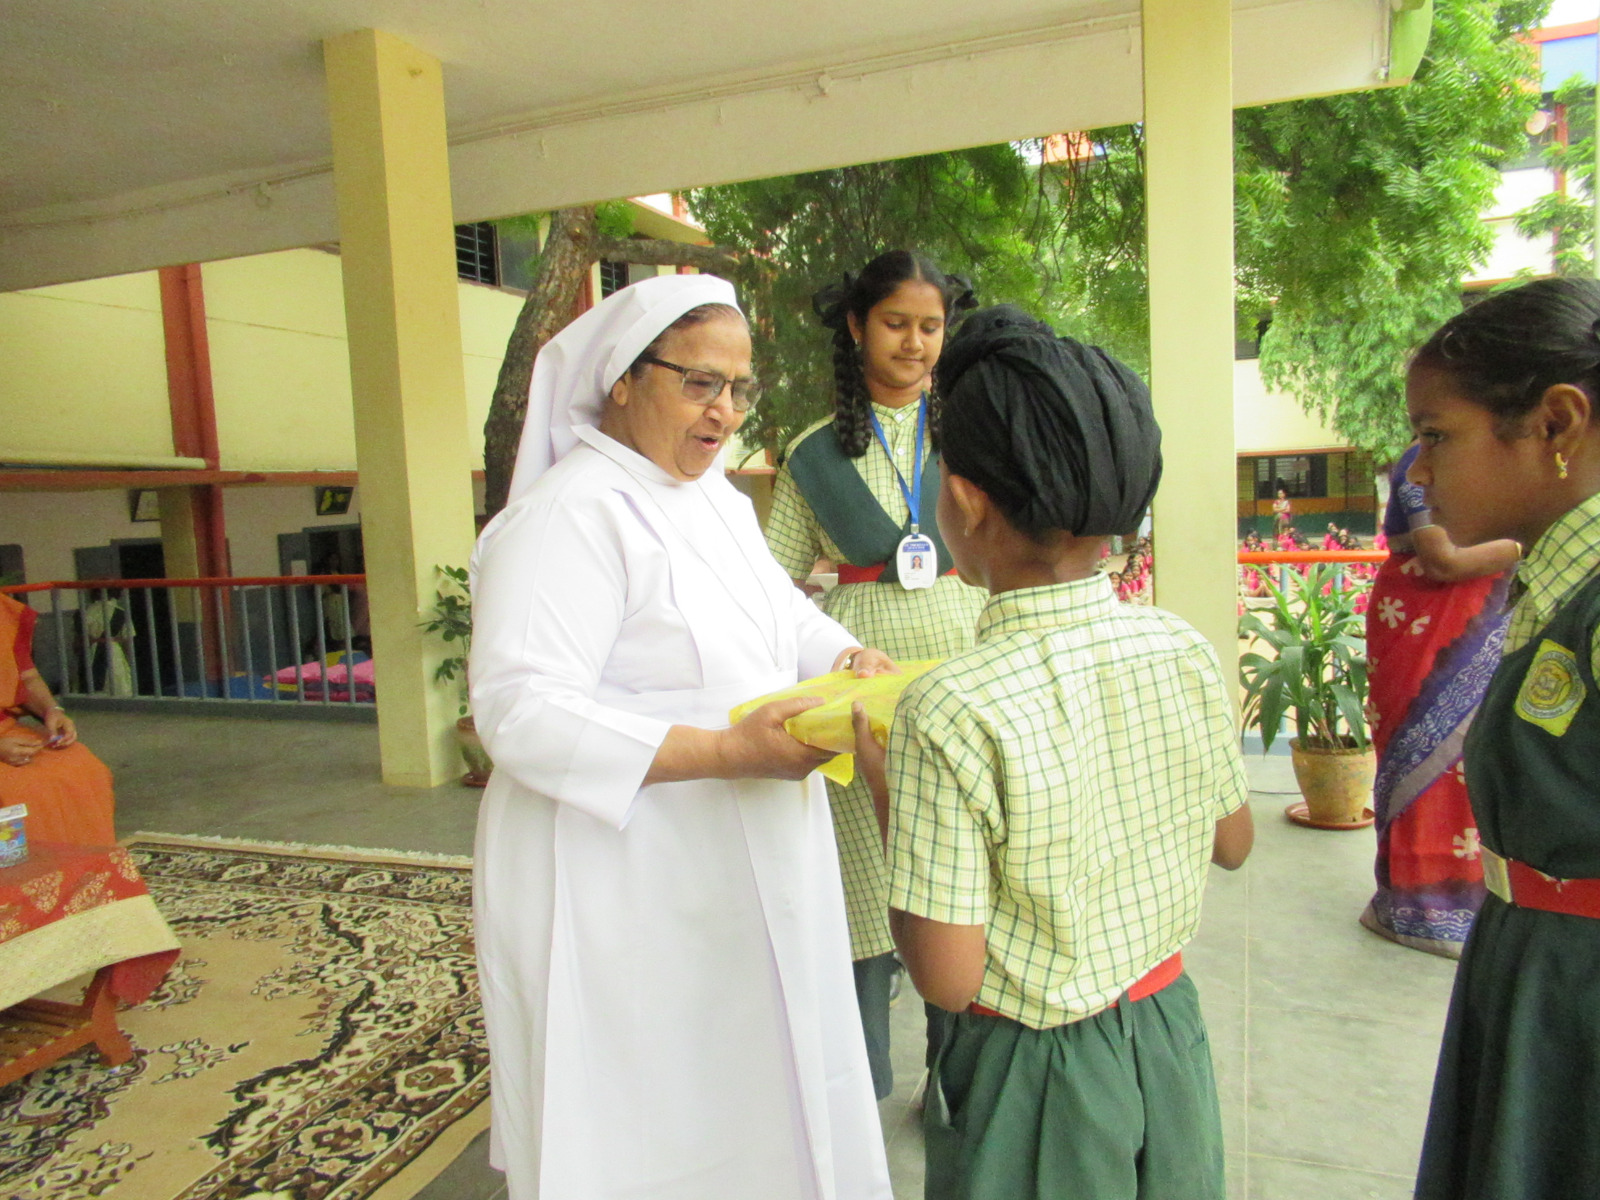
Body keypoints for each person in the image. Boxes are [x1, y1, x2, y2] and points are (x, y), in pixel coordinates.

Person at [469, 274, 893, 1200]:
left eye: (739, 389)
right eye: (700, 382)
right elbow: (518, 710)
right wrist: (728, 755)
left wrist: (844, 653)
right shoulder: (568, 515)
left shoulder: (713, 502)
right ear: (623, 378)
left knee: (758, 1092)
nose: (724, 412)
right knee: (654, 1117)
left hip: (745, 854)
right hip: (626, 880)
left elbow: (779, 613)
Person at [855, 306, 1254, 1200]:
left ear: (965, 501)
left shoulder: (948, 709)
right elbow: (1233, 843)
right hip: (1167, 1033)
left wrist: (888, 794)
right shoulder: (1182, 648)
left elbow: (947, 978)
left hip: (1033, 1080)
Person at [763, 250, 986, 1099]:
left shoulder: (974, 433)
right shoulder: (812, 454)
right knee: (864, 878)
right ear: (857, 327)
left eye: (931, 327)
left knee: (961, 869)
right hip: (862, 679)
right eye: (897, 323)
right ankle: (861, 1085)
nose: (916, 343)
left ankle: (957, 1083)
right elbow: (772, 582)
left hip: (966, 663)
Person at [1408, 276, 1600, 1200]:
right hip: (1536, 974)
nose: (1418, 471)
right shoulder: (1557, 588)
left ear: (1555, 424)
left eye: (1437, 435)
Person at [1359, 441, 1519, 957]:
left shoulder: (1496, 463)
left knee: (1473, 762)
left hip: (1481, 618)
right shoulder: (1421, 464)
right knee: (1419, 757)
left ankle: (1467, 899)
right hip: (1423, 624)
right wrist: (1534, 543)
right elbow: (1442, 559)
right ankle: (1413, 903)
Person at [0, 591, 116, 844]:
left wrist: (52, 711)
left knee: (84, 768)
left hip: (6, 730)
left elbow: (26, 677)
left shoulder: (3, 612)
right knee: (17, 789)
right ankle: (32, 869)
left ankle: (88, 864)